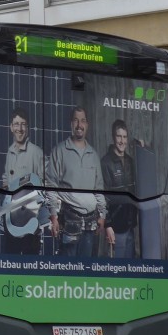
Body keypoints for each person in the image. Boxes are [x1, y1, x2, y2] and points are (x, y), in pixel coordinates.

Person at [46, 106, 110, 258]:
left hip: (90, 224)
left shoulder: (93, 155)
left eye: (83, 121)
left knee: (85, 271)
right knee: (67, 271)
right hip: (68, 222)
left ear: (87, 125)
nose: (79, 125)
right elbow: (51, 186)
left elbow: (98, 188)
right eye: (76, 120)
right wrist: (54, 216)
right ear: (71, 124)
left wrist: (102, 214)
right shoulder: (59, 151)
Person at [2, 106, 47, 255]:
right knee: (10, 262)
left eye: (23, 124)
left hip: (30, 219)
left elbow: (47, 184)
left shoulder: (36, 152)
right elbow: (7, 179)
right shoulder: (9, 152)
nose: (19, 128)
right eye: (16, 124)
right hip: (11, 219)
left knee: (30, 264)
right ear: (11, 127)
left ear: (27, 128)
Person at [101, 120, 138, 259]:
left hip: (130, 225)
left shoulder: (131, 161)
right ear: (113, 137)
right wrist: (108, 225)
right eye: (119, 136)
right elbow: (103, 196)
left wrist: (142, 147)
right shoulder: (106, 162)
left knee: (130, 269)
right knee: (117, 271)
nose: (122, 141)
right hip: (115, 227)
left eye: (124, 137)